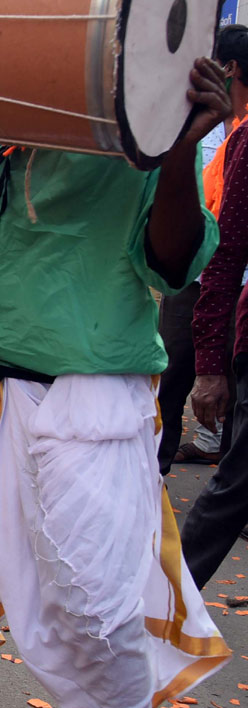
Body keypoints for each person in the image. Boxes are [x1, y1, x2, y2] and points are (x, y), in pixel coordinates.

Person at [0, 57, 232, 708]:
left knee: (90, 590)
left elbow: (170, 265)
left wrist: (176, 152)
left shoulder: (141, 128)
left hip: (90, 393)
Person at [159, 23, 248, 469]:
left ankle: (228, 490)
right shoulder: (186, 117)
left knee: (232, 383)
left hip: (231, 277)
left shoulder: (244, 130)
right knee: (170, 374)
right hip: (189, 273)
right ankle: (153, 463)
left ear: (228, 68)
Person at [181, 40, 248, 588]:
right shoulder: (241, 139)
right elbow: (227, 254)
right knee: (238, 480)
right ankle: (163, 606)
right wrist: (210, 364)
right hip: (210, 295)